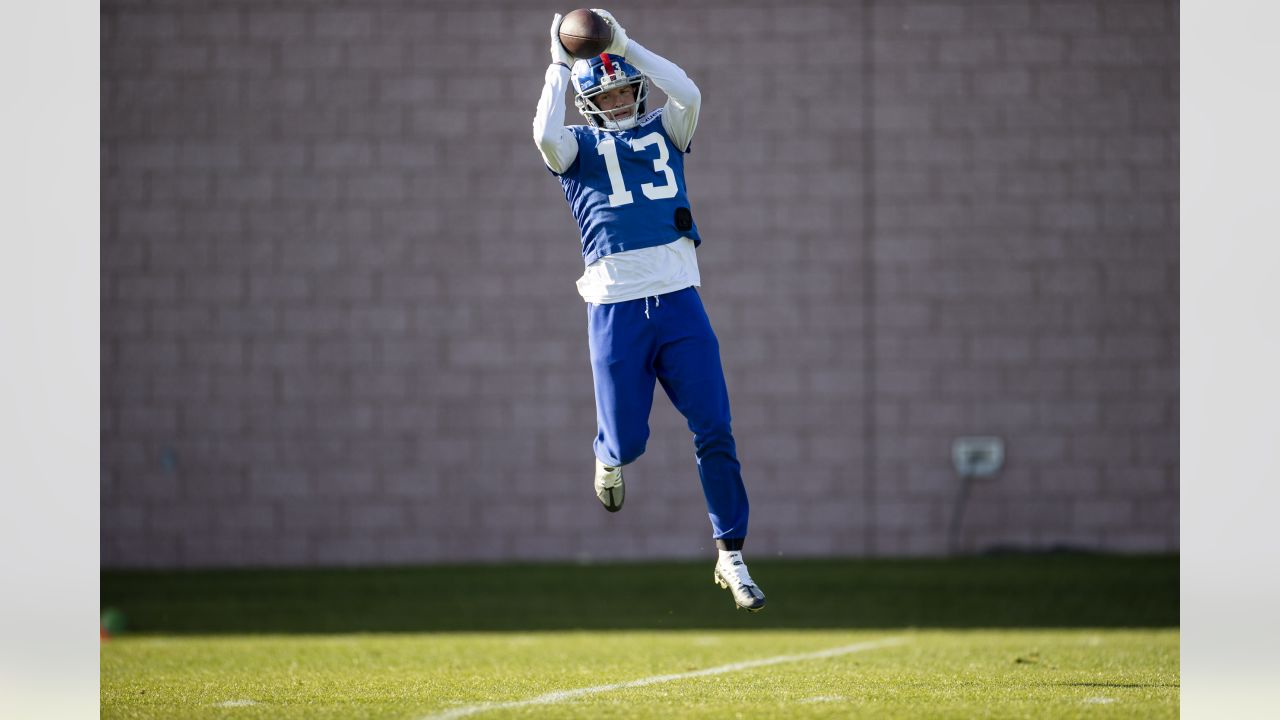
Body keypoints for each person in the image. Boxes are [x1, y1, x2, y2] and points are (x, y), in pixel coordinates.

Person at [532, 9, 765, 612]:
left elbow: (686, 90)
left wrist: (626, 45)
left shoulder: (666, 129)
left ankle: (731, 555)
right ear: (588, 104)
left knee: (714, 426)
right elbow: (541, 133)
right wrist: (559, 68)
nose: (617, 101)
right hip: (616, 311)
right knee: (629, 441)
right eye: (604, 94)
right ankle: (607, 456)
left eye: (624, 90)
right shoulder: (575, 148)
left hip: (681, 303)